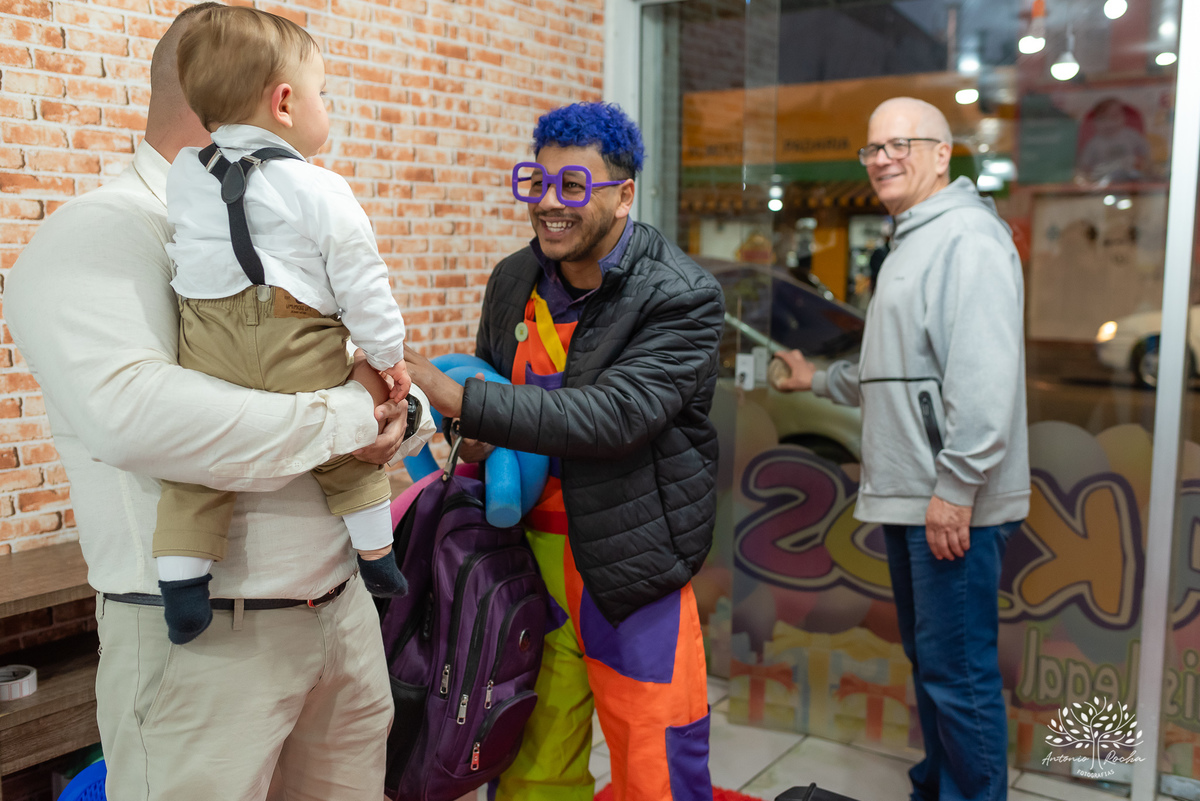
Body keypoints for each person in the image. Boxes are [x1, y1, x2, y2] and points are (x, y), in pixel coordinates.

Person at [6, 4, 425, 798]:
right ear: (255, 99)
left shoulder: (294, 209)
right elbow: (139, 417)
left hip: (340, 615)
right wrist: (351, 414)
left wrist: (399, 414)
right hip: (208, 649)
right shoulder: (99, 232)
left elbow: (346, 364)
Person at [404, 101, 723, 801]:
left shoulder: (681, 295)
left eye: (573, 186)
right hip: (519, 566)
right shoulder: (513, 280)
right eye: (536, 183)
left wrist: (464, 402)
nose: (549, 203)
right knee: (528, 762)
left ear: (623, 194)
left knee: (657, 764)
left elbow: (616, 415)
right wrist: (476, 436)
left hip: (630, 571)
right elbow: (494, 391)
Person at [775, 97, 1029, 801]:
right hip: (918, 494)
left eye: (900, 144)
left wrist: (956, 486)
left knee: (958, 670)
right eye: (872, 148)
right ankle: (939, 785)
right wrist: (818, 378)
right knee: (934, 664)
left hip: (948, 501)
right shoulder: (913, 239)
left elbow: (984, 377)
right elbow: (894, 371)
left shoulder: (968, 239)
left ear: (943, 153)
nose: (882, 157)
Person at [154, 5, 414, 644]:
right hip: (294, 334)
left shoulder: (187, 173)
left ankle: (183, 588)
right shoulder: (319, 187)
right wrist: (388, 356)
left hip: (206, 337)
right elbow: (363, 281)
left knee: (198, 468)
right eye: (322, 94)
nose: (328, 106)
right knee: (352, 433)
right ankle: (377, 558)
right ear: (285, 103)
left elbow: (188, 245)